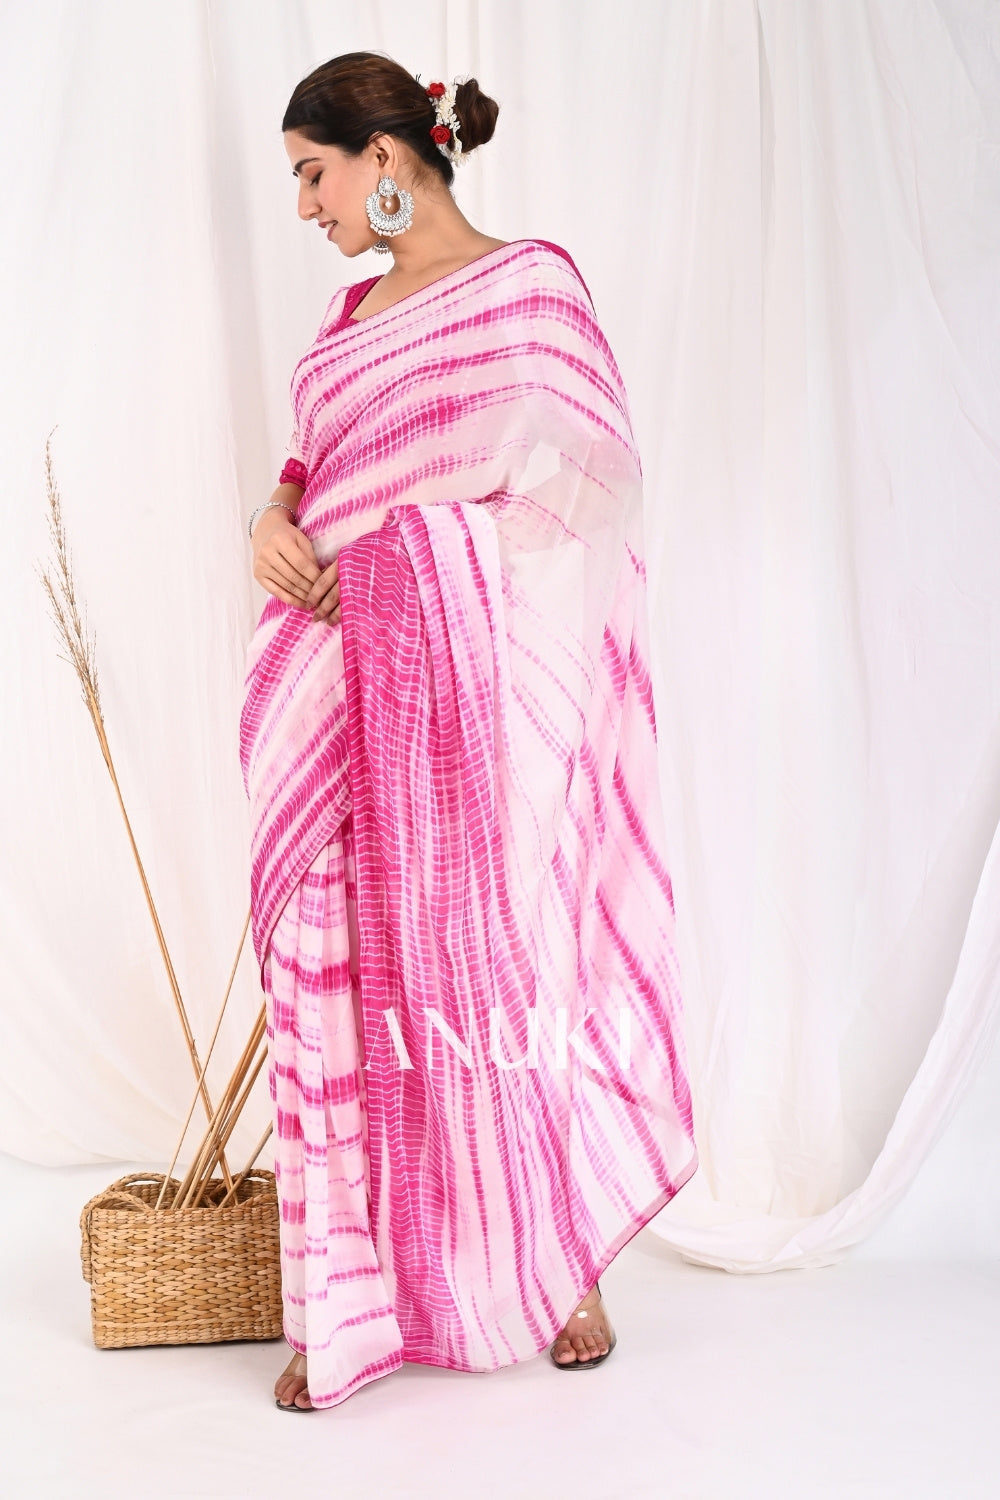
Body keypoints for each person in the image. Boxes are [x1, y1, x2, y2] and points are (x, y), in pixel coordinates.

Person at [240, 50, 698, 1412]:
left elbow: (589, 480)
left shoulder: (530, 289)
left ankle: (557, 1265)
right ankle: (343, 1297)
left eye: (314, 175)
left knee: (513, 958)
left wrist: (413, 561)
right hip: (325, 684)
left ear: (386, 158)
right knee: (329, 969)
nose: (307, 207)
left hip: (474, 675)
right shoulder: (344, 320)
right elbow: (313, 464)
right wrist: (270, 516)